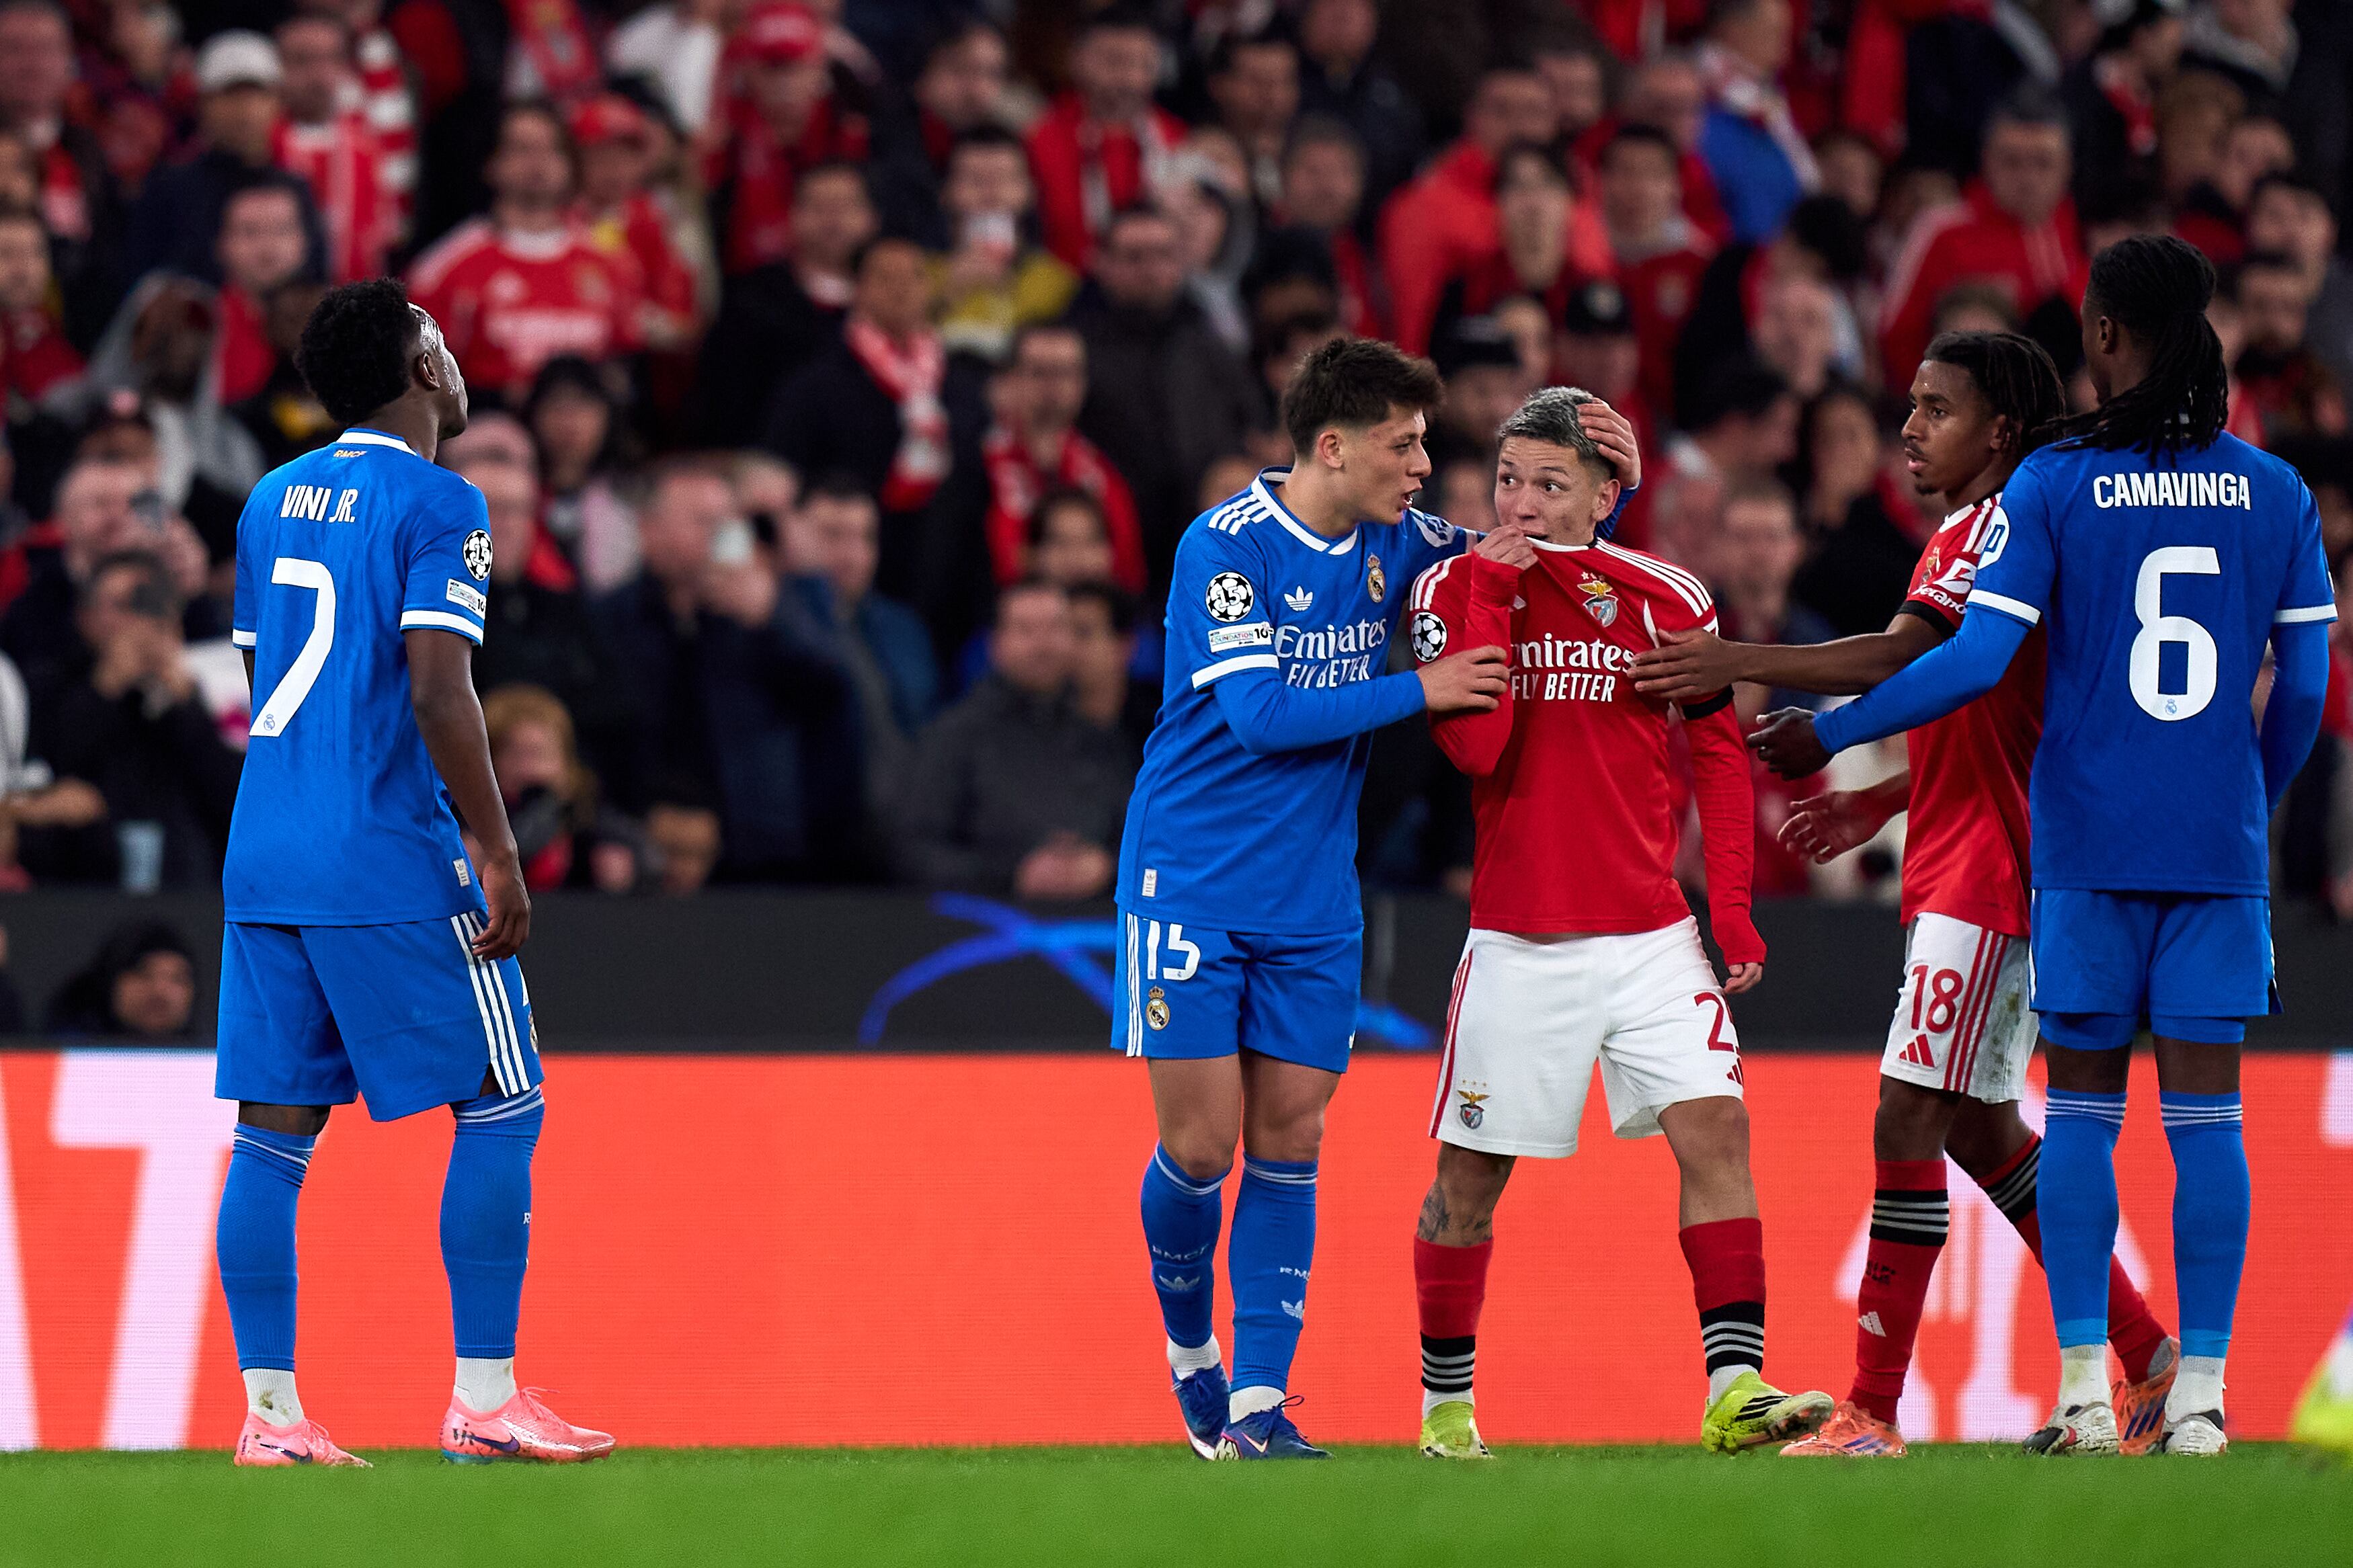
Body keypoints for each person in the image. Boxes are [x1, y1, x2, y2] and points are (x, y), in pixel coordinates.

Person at [1748, 237, 2336, 1456]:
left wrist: (1834, 734)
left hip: (2058, 854)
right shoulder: (2274, 489)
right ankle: (2194, 1393)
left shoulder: (2055, 491)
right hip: (2205, 852)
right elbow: (2307, 690)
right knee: (2195, 1125)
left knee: (2041, 1118)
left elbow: (1966, 662)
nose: (1910, 425)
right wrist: (2245, 799)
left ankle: (1997, 1395)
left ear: (2109, 339)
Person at [1632, 331, 2182, 1458]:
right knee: (1980, 1128)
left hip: (1991, 869)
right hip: (1970, 845)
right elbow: (1990, 708)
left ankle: (1871, 1410)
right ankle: (2148, 1355)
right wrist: (1881, 799)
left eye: (1937, 408)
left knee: (1906, 1114)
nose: (1911, 427)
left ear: (2002, 429)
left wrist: (1739, 659)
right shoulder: (1989, 526)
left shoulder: (1994, 525)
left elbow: (1901, 658)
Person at [1115, 337, 1589, 1462]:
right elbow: (1261, 719)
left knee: (1291, 1138)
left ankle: (1257, 1403)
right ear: (1333, 445)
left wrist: (1598, 487)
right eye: (1405, 442)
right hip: (1190, 880)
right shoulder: (1224, 548)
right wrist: (1421, 687)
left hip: (1317, 899)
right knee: (1202, 1145)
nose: (1426, 465)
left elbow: (1521, 554)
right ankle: (1194, 1355)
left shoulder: (1402, 539)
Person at [210, 278, 612, 1466]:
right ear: (423, 365)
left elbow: (259, 675)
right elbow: (441, 685)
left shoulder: (269, 499)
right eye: (438, 329)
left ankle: (270, 1418)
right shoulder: (445, 500)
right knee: (503, 1096)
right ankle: (485, 1397)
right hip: (384, 846)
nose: (452, 343)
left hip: (267, 846)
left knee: (272, 1134)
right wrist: (494, 845)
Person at [1404, 384, 1826, 1460]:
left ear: (1606, 493)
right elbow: (1476, 753)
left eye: (1553, 483)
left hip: (1649, 933)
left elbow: (1720, 753)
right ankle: (1445, 1409)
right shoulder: (1452, 586)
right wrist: (1497, 595)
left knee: (1718, 1129)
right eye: (1509, 480)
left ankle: (1735, 1389)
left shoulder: (1668, 594)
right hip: (1519, 936)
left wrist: (1729, 912)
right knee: (1469, 1179)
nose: (1525, 502)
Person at [893, 578, 1129, 897]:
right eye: (1026, 630)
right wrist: (1013, 876)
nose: (1043, 645)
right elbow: (912, 849)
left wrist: (1107, 867)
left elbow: (1143, 839)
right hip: (981, 931)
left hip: (1092, 931)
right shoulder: (954, 736)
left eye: (1055, 628)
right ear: (996, 644)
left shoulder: (1100, 739)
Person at [405, 100, 642, 405]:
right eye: (522, 149)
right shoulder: (444, 268)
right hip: (484, 428)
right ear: (492, 164)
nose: (538, 162)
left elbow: (621, 369)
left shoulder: (611, 264)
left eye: (551, 149)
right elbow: (422, 379)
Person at [1879, 91, 2084, 393]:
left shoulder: (2081, 232)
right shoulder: (1943, 230)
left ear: (2067, 167)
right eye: (2012, 162)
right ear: (1986, 160)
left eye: (2043, 164)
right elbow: (1894, 337)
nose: (2028, 179)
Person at [1024, 5, 1187, 270]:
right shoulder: (1039, 137)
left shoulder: (1177, 140)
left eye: (1143, 64)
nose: (1129, 78)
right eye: (1113, 62)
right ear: (1076, 60)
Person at [42, 917, 198, 1038]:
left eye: (177, 979)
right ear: (110, 983)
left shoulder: (209, 1064)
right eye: (144, 974)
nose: (160, 990)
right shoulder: (67, 1058)